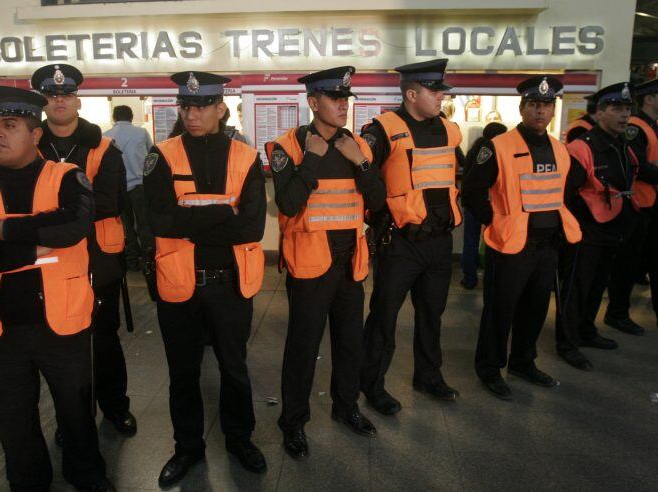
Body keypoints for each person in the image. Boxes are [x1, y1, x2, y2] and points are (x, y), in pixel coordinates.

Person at [0, 85, 113, 491]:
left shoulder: (67, 177)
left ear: (36, 134)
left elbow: (74, 226)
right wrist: (36, 246)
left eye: (10, 124)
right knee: (13, 421)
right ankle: (29, 483)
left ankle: (86, 476)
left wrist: (1, 229)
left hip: (63, 325)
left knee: (76, 413)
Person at [143, 71, 267, 487]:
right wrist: (221, 212)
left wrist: (188, 218)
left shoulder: (246, 157)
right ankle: (187, 448)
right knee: (183, 372)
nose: (192, 114)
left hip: (230, 283)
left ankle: (240, 439)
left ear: (220, 108)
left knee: (234, 368)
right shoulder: (161, 155)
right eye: (186, 106)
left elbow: (250, 228)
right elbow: (157, 220)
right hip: (180, 283)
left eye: (201, 106)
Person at [266, 66, 385, 460]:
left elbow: (378, 203)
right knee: (303, 348)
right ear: (313, 102)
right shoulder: (286, 146)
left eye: (345, 98)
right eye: (334, 98)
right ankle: (294, 422)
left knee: (350, 343)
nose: (341, 105)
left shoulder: (359, 146)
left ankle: (346, 407)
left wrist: (362, 164)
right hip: (309, 266)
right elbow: (287, 204)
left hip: (350, 263)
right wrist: (311, 162)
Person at [462, 76, 584, 400]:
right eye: (534, 105)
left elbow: (561, 193)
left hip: (547, 247)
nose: (540, 111)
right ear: (522, 108)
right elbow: (471, 191)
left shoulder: (559, 149)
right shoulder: (498, 146)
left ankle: (523, 362)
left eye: (546, 105)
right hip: (512, 245)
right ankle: (490, 369)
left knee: (535, 310)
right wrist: (496, 220)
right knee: (499, 312)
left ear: (553, 110)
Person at [31, 64, 137, 436]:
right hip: (50, 262)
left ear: (77, 99)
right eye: (51, 95)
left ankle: (115, 407)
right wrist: (75, 203)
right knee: (62, 346)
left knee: (104, 340)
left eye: (66, 94)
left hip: (97, 261)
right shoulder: (33, 144)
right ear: (44, 102)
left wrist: (54, 209)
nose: (59, 101)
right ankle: (72, 419)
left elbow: (110, 202)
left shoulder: (103, 147)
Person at [360, 59, 465, 415]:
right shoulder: (382, 130)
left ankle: (429, 376)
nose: (440, 97)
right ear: (411, 93)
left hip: (439, 241)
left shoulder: (450, 130)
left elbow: (454, 173)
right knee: (384, 316)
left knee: (432, 314)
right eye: (434, 91)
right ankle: (372, 385)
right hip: (400, 242)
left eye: (441, 91)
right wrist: (377, 223)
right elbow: (363, 180)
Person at [556, 82, 658, 370]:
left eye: (627, 109)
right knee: (577, 289)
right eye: (617, 109)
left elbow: (638, 170)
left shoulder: (622, 144)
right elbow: (567, 195)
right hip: (586, 232)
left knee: (598, 285)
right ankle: (567, 342)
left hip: (612, 229)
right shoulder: (581, 148)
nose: (624, 115)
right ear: (600, 113)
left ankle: (586, 330)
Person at [604, 76, 658, 335]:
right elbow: (636, 162)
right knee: (628, 263)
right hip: (639, 204)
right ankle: (616, 313)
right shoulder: (636, 127)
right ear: (649, 98)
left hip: (657, 204)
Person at [104, 105, 155, 272]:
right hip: (140, 186)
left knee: (126, 226)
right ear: (131, 117)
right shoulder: (141, 133)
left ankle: (132, 261)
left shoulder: (105, 137)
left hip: (118, 189)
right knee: (144, 224)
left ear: (114, 117)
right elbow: (151, 156)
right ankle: (149, 259)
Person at [460, 122, 507, 289]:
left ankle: (469, 278)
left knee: (470, 242)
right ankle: (491, 277)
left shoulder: (475, 149)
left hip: (472, 205)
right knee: (492, 243)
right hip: (491, 206)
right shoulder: (495, 151)